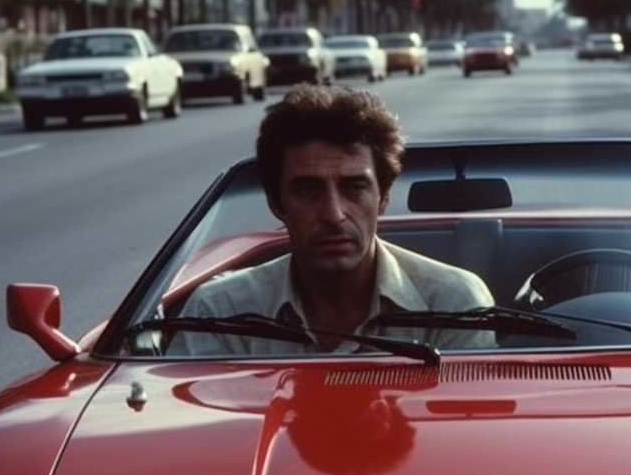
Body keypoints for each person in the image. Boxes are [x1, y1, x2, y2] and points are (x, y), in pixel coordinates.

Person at [177, 83, 495, 355]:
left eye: (354, 187)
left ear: (383, 197)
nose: (333, 214)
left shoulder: (456, 304)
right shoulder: (219, 311)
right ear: (277, 203)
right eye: (307, 190)